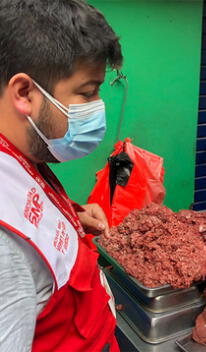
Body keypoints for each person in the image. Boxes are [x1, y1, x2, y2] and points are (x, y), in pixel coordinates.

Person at [0, 0, 123, 351]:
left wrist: (71, 215)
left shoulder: (24, 151)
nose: (98, 106)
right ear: (24, 93)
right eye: (87, 92)